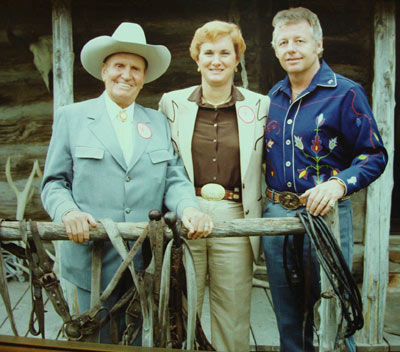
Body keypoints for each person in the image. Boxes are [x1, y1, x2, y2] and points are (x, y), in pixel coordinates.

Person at [41, 22, 212, 344]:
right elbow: (53, 183)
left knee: (142, 340)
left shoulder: (157, 121)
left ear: (144, 76)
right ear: (104, 70)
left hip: (146, 262)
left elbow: (174, 178)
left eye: (135, 68)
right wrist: (68, 213)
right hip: (90, 260)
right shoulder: (72, 117)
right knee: (92, 340)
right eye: (119, 66)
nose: (126, 74)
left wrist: (189, 208)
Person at [262, 7, 387, 352]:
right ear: (275, 49)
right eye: (283, 42)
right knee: (288, 318)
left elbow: (374, 155)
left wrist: (338, 184)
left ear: (319, 45)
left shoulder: (346, 93)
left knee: (335, 311)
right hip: (277, 217)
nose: (291, 48)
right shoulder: (271, 98)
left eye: (300, 40)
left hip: (327, 217)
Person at [159, 20, 270, 352]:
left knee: (233, 309)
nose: (216, 60)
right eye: (208, 52)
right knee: (181, 306)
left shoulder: (259, 106)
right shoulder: (172, 104)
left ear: (237, 59)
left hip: (236, 214)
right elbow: (164, 163)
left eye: (226, 52)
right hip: (185, 213)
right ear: (197, 58)